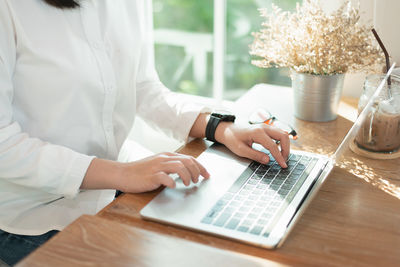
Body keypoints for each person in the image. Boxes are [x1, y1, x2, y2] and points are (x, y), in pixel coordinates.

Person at [0, 0, 290, 265]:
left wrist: (220, 128)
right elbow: (3, 145)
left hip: (112, 184)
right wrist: (123, 173)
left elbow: (142, 86)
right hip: (29, 212)